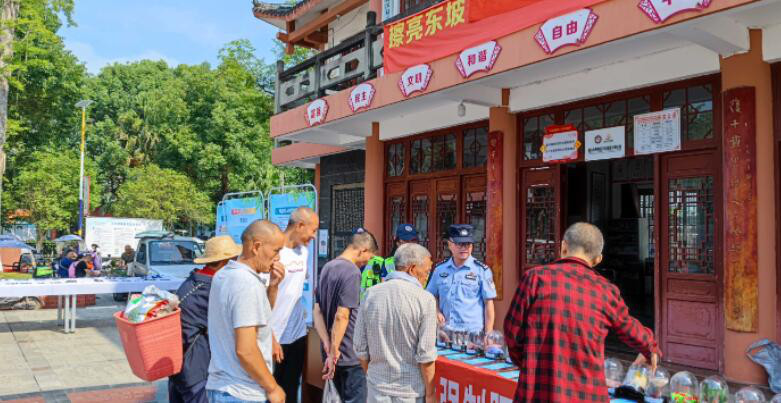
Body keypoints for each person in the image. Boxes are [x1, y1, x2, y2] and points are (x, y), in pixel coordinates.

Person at [503, 222, 660, 402]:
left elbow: (512, 333)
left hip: (537, 392)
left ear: (563, 247)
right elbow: (629, 328)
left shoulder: (535, 279)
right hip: (586, 394)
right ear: (598, 259)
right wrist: (650, 348)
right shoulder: (605, 291)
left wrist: (531, 365)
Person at [206, 220, 286, 403]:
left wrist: (273, 286)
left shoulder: (224, 274)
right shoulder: (246, 284)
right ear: (256, 247)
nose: (278, 258)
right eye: (276, 250)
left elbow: (258, 317)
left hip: (223, 388)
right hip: (241, 392)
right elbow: (246, 350)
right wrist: (273, 388)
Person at [354, 243, 437, 403]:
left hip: (376, 390)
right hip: (410, 393)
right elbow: (426, 356)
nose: (427, 276)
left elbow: (359, 347)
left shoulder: (371, 294)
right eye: (427, 271)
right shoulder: (425, 299)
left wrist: (374, 376)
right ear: (412, 269)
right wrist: (431, 394)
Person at [168, 235, 241, 403]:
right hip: (197, 370)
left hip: (180, 365)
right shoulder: (212, 288)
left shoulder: (194, 280)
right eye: (235, 260)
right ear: (226, 262)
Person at [313, 228, 378, 403]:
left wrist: (327, 344)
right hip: (349, 354)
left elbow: (317, 311)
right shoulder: (352, 272)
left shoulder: (327, 267)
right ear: (363, 250)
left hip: (331, 354)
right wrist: (334, 351)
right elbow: (342, 315)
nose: (367, 263)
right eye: (369, 257)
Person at [270, 207, 319, 403]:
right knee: (272, 391)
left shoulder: (304, 252)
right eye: (313, 230)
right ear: (299, 225)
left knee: (291, 388)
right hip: (274, 336)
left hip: (297, 334)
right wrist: (269, 335)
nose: (314, 236)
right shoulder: (274, 253)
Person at [425, 224, 496, 334]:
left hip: (472, 334)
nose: (464, 248)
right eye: (459, 244)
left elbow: (488, 303)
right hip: (445, 332)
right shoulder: (440, 270)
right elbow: (431, 296)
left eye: (467, 244)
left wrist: (488, 334)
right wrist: (436, 311)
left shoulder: (482, 271)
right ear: (449, 244)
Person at [360, 224, 418, 300]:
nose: (410, 245)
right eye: (406, 241)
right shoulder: (384, 264)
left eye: (413, 241)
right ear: (397, 242)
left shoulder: (422, 265)